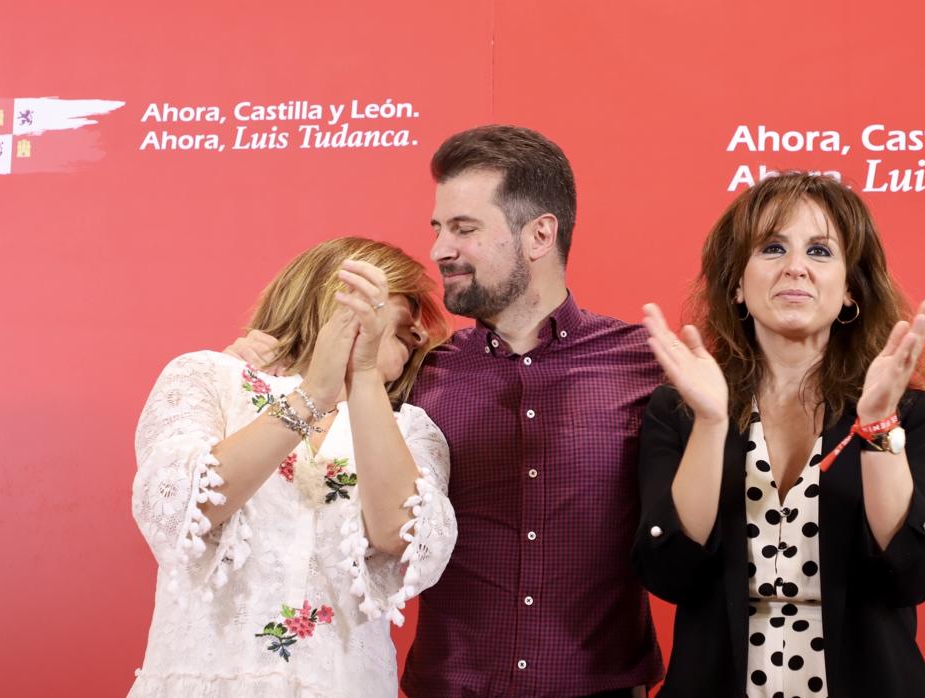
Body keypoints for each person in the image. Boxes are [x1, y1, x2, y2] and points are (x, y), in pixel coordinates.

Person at [230, 125, 664, 697]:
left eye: (464, 229)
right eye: (438, 228)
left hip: (600, 686)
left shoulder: (647, 364)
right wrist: (248, 373)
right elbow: (307, 447)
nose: (439, 250)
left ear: (539, 235)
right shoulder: (417, 372)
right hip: (449, 687)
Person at [633, 172, 925, 697]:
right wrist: (711, 424)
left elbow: (911, 576)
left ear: (850, 290)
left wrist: (876, 426)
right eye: (773, 247)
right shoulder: (680, 409)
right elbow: (670, 575)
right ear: (736, 282)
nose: (795, 267)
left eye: (821, 251)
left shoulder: (908, 413)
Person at [130, 237, 457, 697]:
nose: (418, 337)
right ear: (333, 301)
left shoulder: (411, 429)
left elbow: (401, 536)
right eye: (400, 318)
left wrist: (361, 378)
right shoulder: (210, 376)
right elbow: (186, 505)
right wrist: (312, 395)